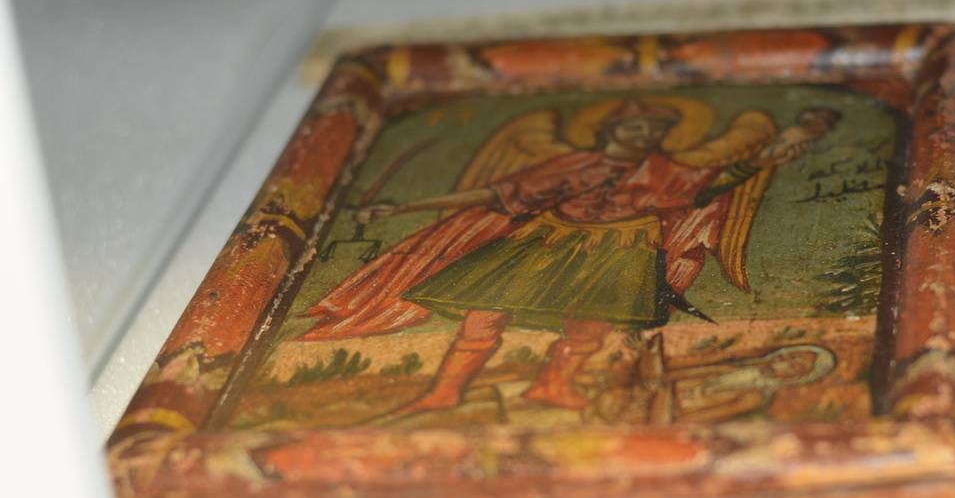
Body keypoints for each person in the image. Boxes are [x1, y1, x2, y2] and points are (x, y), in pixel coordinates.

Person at [300, 99, 841, 415]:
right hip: (548, 239)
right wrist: (404, 206)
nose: (645, 136)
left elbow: (728, 176)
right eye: (635, 127)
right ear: (611, 130)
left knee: (590, 324)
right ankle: (444, 393)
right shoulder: (570, 164)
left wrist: (792, 138)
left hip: (622, 246)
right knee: (484, 312)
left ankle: (553, 385)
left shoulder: (669, 172)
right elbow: (497, 194)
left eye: (654, 131)